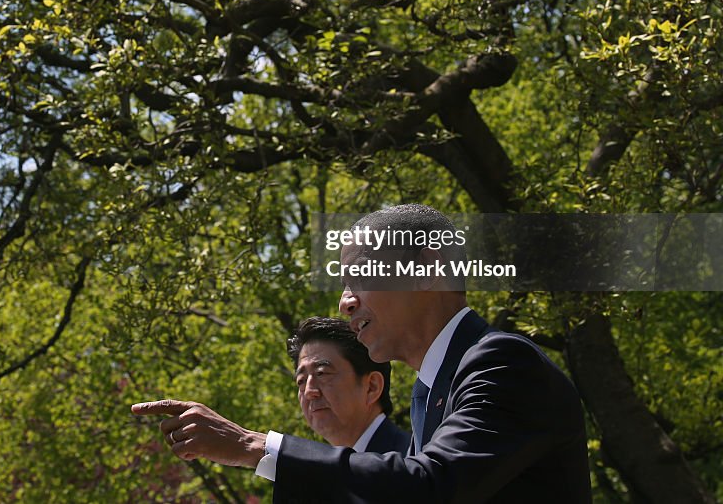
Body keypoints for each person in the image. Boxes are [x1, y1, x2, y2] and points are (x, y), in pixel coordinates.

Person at [132, 203, 592, 503]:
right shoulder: (435, 390)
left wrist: (255, 447)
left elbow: (430, 487)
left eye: (360, 277)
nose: (345, 302)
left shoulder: (503, 363)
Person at [287, 316, 409, 454]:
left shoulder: (411, 464)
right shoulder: (324, 472)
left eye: (322, 373)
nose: (309, 391)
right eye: (301, 381)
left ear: (371, 387)